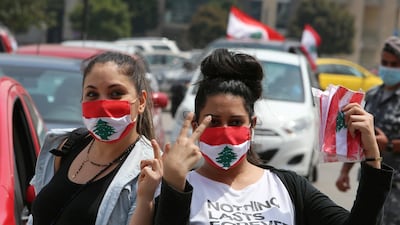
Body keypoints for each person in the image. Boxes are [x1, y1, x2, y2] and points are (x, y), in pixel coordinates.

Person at [153, 48, 393, 225]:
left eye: (236, 122)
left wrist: (372, 156)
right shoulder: (180, 189)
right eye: (213, 122)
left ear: (252, 125)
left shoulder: (288, 188)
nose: (225, 131)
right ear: (195, 124)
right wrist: (173, 185)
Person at [27, 51, 162, 225]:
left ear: (141, 101)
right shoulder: (65, 146)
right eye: (92, 94)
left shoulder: (149, 171)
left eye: (115, 93)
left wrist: (146, 199)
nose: (103, 105)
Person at [335, 36, 400, 225]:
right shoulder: (372, 95)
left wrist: (386, 144)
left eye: (394, 64)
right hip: (371, 180)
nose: (388, 67)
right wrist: (345, 171)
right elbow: (357, 134)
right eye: (385, 63)